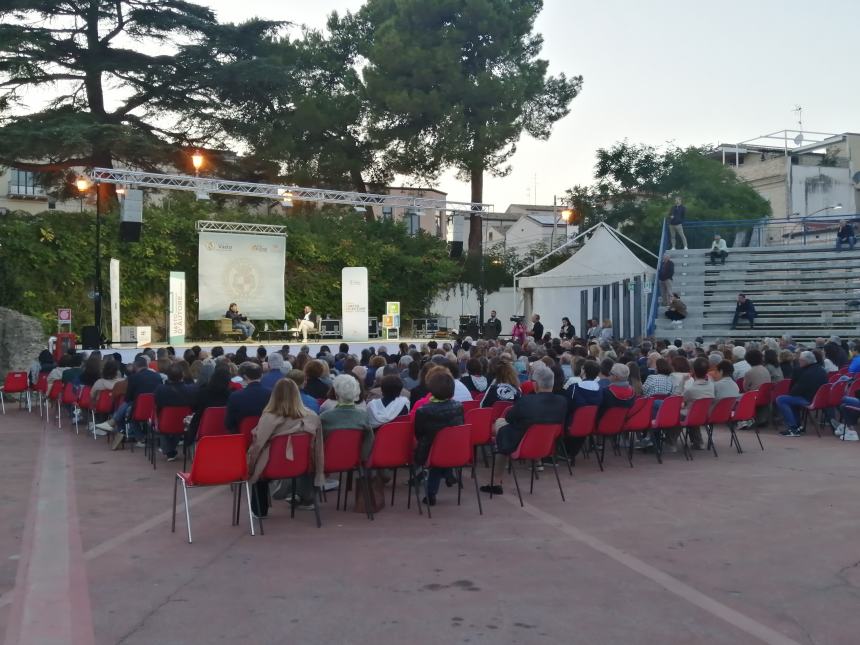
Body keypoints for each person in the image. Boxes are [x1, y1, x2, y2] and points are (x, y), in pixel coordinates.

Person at [481, 365, 566, 495]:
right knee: (505, 427)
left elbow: (509, 417)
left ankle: (496, 482)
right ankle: (535, 462)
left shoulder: (526, 401)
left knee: (500, 424)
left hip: (522, 444)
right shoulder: (562, 402)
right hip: (546, 445)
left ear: (535, 385)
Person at [247, 379, 324, 517]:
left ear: (274, 395)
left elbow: (258, 445)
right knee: (308, 452)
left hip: (273, 467)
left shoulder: (268, 418)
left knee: (257, 460)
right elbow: (317, 447)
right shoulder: (312, 416)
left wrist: (249, 464)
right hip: (303, 465)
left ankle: (260, 511)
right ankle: (308, 499)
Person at [413, 370, 464, 506]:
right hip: (453, 448)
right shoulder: (459, 407)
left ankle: (431, 494)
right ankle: (447, 472)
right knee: (439, 451)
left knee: (435, 456)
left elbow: (418, 433)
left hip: (431, 450)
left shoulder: (423, 410)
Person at [97, 354, 162, 449]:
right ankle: (113, 422)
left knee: (129, 410)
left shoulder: (133, 378)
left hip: (139, 410)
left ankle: (139, 438)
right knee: (130, 407)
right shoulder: (157, 376)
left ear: (135, 366)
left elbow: (128, 398)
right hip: (155, 409)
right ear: (147, 365)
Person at [320, 374, 374, 458]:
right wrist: (362, 458)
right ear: (356, 393)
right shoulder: (363, 416)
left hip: (328, 459)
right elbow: (369, 440)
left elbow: (318, 443)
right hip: (353, 458)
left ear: (336, 393)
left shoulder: (324, 417)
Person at [775, 351, 827, 437]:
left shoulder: (807, 373)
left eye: (800, 360)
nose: (799, 362)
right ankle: (797, 425)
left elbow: (796, 391)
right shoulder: (821, 370)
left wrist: (791, 392)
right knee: (791, 401)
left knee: (781, 399)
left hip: (809, 400)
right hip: (818, 399)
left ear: (805, 361)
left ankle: (793, 428)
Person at [154, 363, 197, 462]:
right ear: (182, 375)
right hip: (184, 423)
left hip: (166, 423)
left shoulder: (160, 389)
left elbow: (157, 406)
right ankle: (170, 449)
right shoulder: (190, 389)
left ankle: (169, 450)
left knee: (164, 421)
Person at [186, 366, 232, 444]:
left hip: (203, 430)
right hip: (225, 430)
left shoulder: (202, 392)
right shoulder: (230, 395)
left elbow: (194, 408)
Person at [225, 362, 272, 434]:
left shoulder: (235, 396)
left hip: (242, 435)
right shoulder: (271, 393)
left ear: (245, 376)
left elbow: (229, 423)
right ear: (261, 375)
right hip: (266, 434)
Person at [682, 357, 714, 450]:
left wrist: (682, 381)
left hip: (692, 415)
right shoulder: (712, 385)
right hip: (706, 414)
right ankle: (698, 442)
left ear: (693, 371)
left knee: (677, 413)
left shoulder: (691, 389)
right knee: (693, 412)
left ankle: (670, 442)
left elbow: (680, 400)